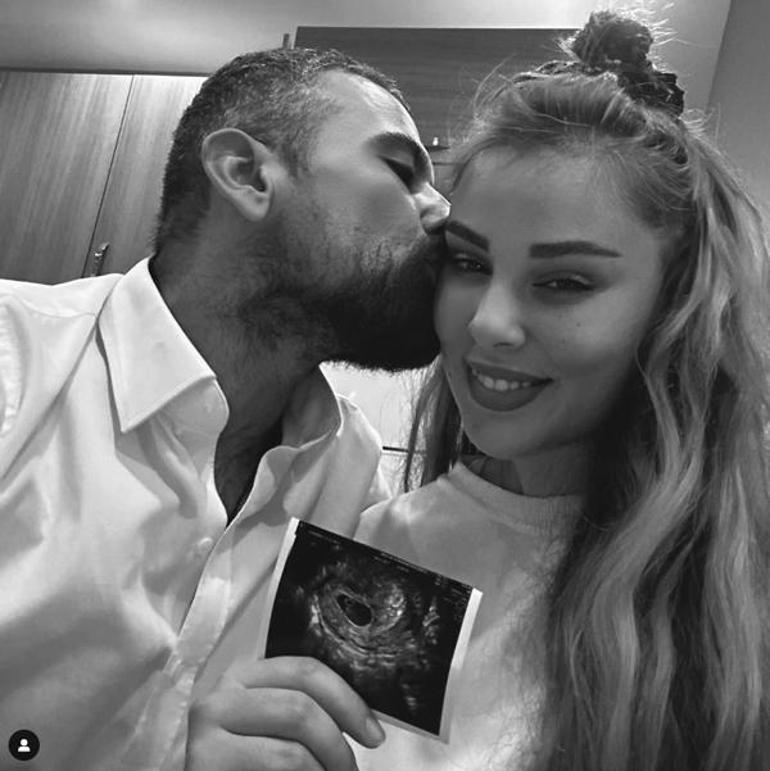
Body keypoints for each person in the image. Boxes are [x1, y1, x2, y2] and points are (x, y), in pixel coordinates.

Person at [0, 48, 448, 770]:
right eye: (402, 170)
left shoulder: (356, 475)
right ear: (245, 174)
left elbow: (386, 738)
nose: (441, 210)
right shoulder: (14, 364)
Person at [353, 12, 770, 771]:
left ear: (674, 306)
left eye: (565, 282)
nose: (488, 324)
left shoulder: (743, 602)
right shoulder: (383, 549)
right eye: (470, 264)